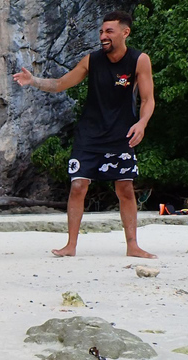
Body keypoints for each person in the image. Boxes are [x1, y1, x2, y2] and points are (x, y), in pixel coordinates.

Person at [13, 10, 156, 258]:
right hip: (89, 135)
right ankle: (71, 245)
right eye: (101, 31)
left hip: (121, 135)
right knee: (78, 186)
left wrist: (142, 123)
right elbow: (59, 84)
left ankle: (133, 245)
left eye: (109, 31)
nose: (103, 36)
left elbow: (148, 99)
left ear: (125, 32)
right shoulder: (91, 60)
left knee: (125, 188)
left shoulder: (139, 60)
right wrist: (33, 80)